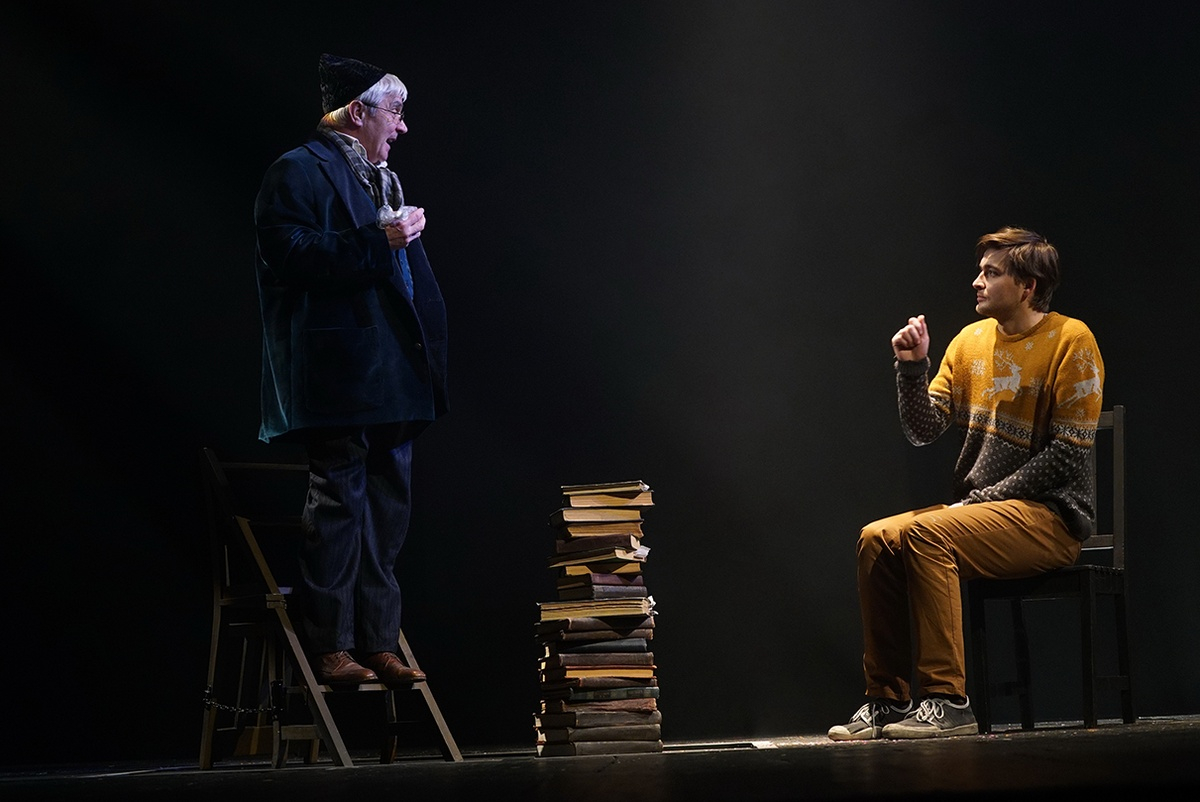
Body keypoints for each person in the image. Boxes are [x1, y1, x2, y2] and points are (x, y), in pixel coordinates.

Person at [828, 226, 1104, 740]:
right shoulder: (969, 342)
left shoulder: (1072, 340)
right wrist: (912, 368)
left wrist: (984, 499)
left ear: (1027, 286)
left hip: (1050, 519)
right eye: (981, 271)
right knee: (876, 538)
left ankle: (948, 701)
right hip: (983, 515)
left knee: (927, 533)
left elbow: (1069, 453)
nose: (977, 282)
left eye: (991, 273)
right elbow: (924, 429)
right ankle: (887, 700)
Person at [253, 53, 449, 685]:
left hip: (392, 373)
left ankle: (378, 642)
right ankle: (330, 645)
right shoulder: (297, 170)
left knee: (388, 512)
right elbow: (288, 253)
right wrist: (379, 240)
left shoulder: (383, 179)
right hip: (338, 374)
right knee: (338, 505)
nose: (403, 126)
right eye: (396, 112)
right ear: (358, 112)